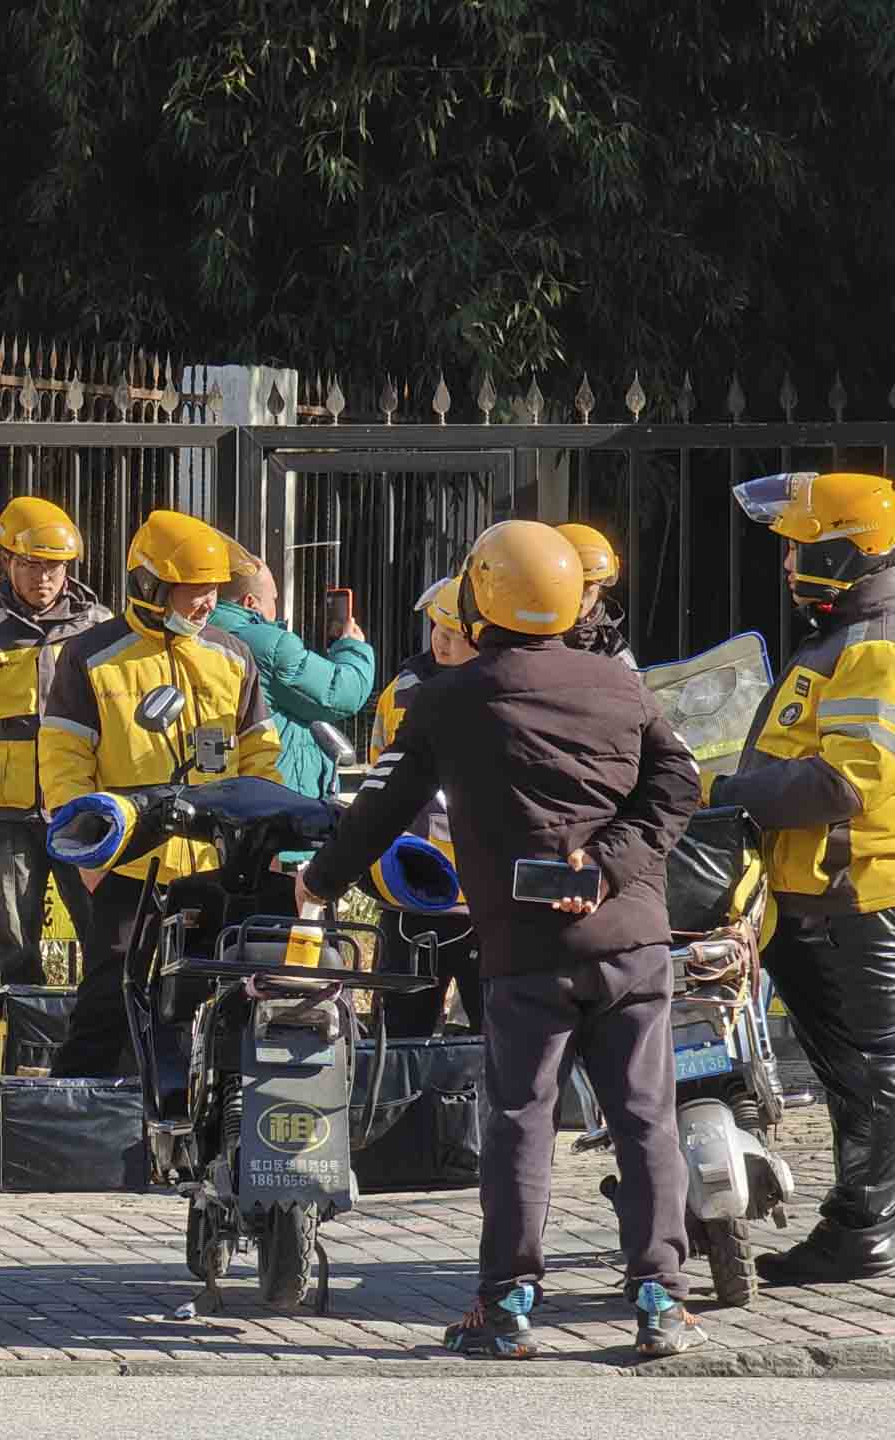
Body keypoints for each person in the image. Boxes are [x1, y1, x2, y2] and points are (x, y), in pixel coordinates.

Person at [295, 519, 704, 1360]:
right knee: (642, 1117)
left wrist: (321, 880)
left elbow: (382, 804)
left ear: (483, 594)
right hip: (630, 941)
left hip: (525, 950)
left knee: (520, 1118)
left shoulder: (449, 696)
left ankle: (509, 1299)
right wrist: (612, 863)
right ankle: (662, 1297)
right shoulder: (619, 685)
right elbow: (680, 784)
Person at [715, 469, 895, 1285]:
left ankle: (864, 1229)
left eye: (799, 546)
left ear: (843, 550)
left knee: (867, 1069)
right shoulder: (844, 633)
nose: (788, 563)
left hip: (854, 895)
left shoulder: (876, 643)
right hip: (820, 893)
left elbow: (845, 782)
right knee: (852, 1065)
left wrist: (724, 791)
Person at [40, 510, 282, 1078]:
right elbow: (63, 763)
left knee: (220, 999)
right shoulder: (90, 656)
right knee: (108, 999)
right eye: (194, 591)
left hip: (218, 862)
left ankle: (209, 1120)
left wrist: (264, 837)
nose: (206, 604)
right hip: (128, 863)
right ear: (149, 586)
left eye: (213, 592)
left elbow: (259, 755)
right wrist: (93, 858)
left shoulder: (232, 654)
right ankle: (78, 1122)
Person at [0, 496, 109, 987]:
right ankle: (25, 1046)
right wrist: (3, 763)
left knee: (103, 929)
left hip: (83, 805)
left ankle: (105, 1042)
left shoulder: (100, 629)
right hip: (8, 811)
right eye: (32, 565)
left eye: (55, 567)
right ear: (5, 561)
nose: (45, 578)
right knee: (14, 939)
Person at [366, 575, 483, 1036]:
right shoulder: (403, 693)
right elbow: (382, 781)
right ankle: (397, 1111)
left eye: (453, 633)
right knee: (399, 1042)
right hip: (413, 889)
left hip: (483, 899)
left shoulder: (508, 695)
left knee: (497, 1044)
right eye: (436, 627)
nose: (440, 640)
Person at [207, 561, 375, 802]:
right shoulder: (268, 645)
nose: (277, 606)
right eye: (273, 599)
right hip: (276, 793)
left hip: (217, 785)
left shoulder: (198, 636)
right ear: (250, 602)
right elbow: (341, 693)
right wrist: (352, 646)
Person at [557, 522, 636, 666]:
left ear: (600, 586)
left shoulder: (614, 651)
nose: (580, 600)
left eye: (587, 586)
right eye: (572, 587)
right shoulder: (521, 642)